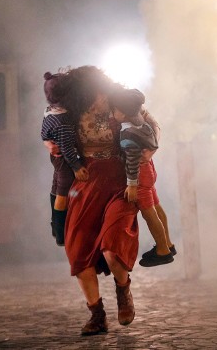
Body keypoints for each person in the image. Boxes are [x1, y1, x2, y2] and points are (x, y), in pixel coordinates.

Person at [45, 66, 139, 336]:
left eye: (101, 90)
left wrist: (148, 150)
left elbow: (149, 123)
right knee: (78, 252)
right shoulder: (69, 111)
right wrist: (48, 144)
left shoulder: (119, 103)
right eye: (93, 93)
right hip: (84, 183)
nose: (99, 97)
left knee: (112, 246)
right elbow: (48, 128)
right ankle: (97, 315)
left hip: (118, 182)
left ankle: (124, 291)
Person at [109, 88, 177, 267]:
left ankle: (162, 251)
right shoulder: (140, 121)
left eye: (114, 109)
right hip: (149, 169)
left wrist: (132, 184)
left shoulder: (127, 133)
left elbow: (131, 161)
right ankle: (168, 243)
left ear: (122, 113)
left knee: (149, 213)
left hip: (139, 174)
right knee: (155, 204)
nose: (113, 112)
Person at [41, 71, 89, 246]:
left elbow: (43, 133)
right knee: (63, 190)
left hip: (57, 158)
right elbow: (67, 148)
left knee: (56, 185)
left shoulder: (49, 110)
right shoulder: (63, 121)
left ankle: (55, 224)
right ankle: (60, 230)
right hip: (64, 158)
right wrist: (76, 167)